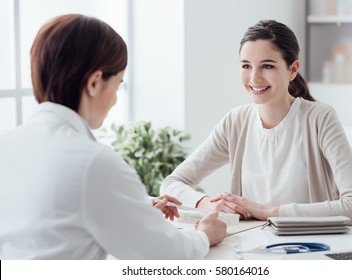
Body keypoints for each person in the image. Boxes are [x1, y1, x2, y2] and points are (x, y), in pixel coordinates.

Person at [0, 14, 226, 260]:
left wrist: (131, 210)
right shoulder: (92, 162)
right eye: (117, 85)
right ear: (95, 83)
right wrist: (205, 234)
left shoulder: (6, 144)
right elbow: (167, 255)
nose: (116, 99)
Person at [160, 19, 352, 226]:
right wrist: (206, 203)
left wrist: (269, 212)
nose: (254, 78)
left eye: (267, 66)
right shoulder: (236, 121)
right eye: (246, 66)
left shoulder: (319, 118)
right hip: (251, 245)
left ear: (292, 69)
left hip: (308, 248)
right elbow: (171, 184)